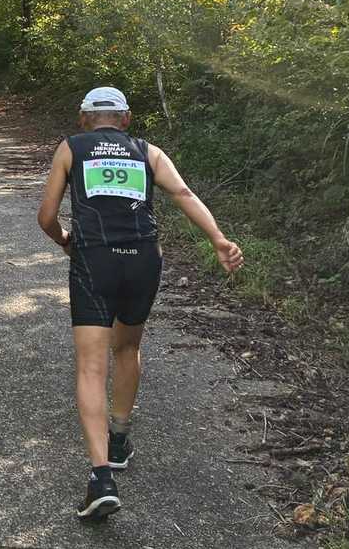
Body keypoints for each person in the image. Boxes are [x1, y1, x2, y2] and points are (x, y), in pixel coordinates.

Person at [37, 85, 243, 521]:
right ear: (126, 119)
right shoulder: (147, 151)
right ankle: (119, 438)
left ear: (83, 118)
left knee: (91, 366)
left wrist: (65, 241)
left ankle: (100, 478)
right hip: (143, 259)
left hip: (94, 260)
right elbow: (183, 194)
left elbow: (46, 217)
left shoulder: (71, 149)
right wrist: (219, 240)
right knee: (127, 347)